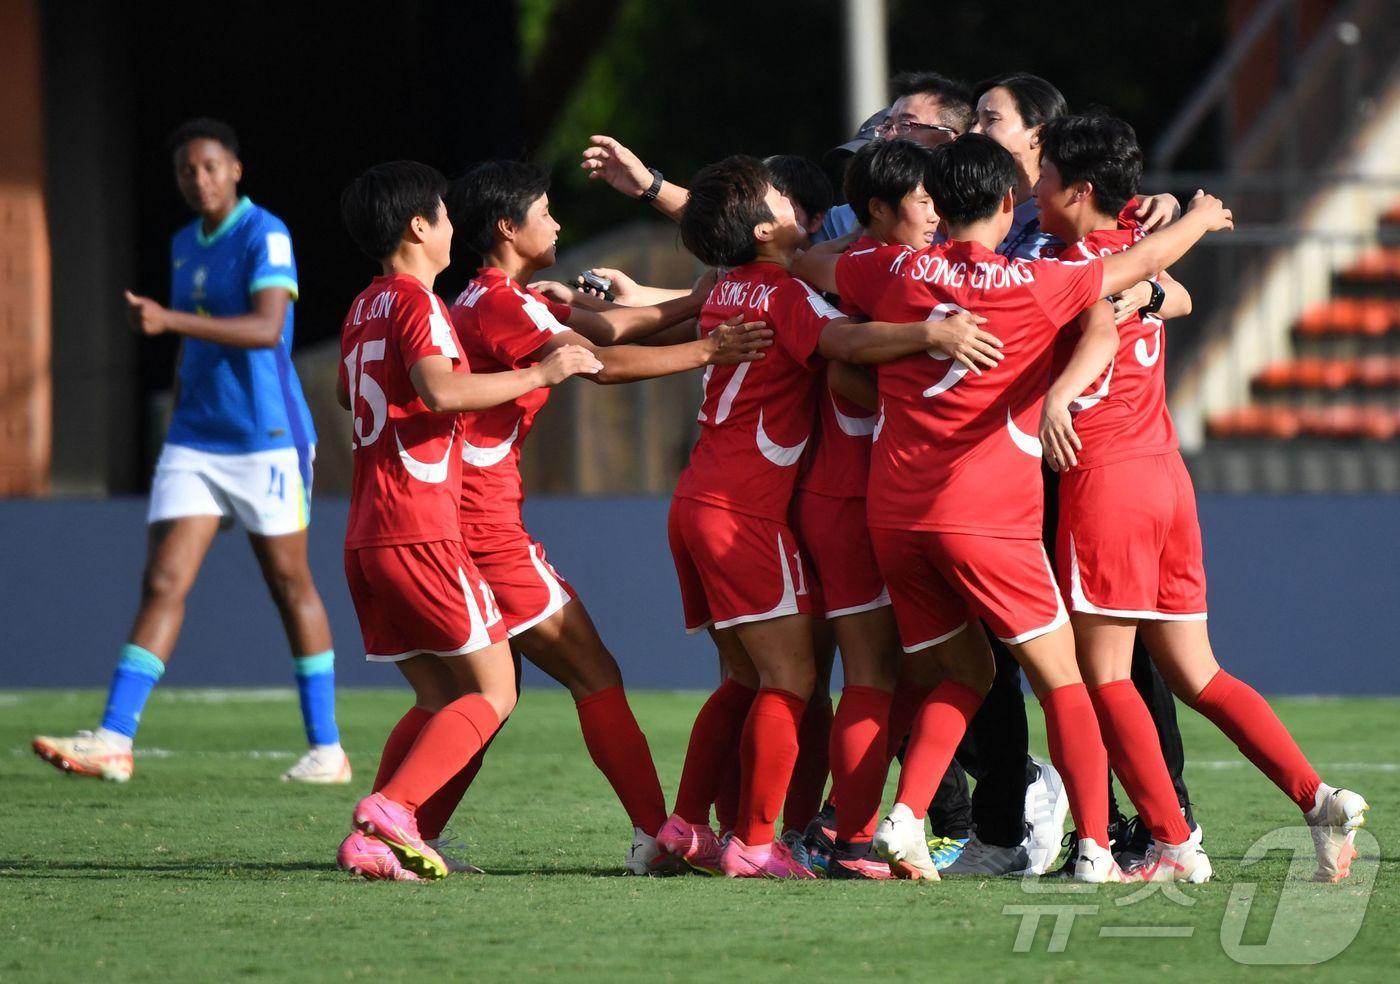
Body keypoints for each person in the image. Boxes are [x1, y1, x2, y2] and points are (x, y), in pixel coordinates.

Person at [857, 134, 1234, 882]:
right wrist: (1197, 219)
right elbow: (1123, 275)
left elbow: (813, 278)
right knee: (1070, 680)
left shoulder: (891, 269)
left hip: (894, 517)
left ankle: (899, 821)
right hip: (984, 516)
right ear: (1006, 202)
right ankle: (1096, 845)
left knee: (962, 674)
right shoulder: (1026, 283)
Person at [1035, 115, 1369, 883]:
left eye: (1046, 176)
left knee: (1104, 676)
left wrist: (1057, 397)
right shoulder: (1127, 255)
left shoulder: (1076, 266)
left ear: (1079, 191)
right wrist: (1171, 246)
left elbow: (1100, 329)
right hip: (1165, 478)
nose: (1035, 188)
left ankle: (1175, 843)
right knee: (1197, 673)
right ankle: (1319, 799)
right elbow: (1170, 293)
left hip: (1105, 480)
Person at [654, 155, 999, 879]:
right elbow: (842, 352)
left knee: (759, 680)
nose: (934, 209)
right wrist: (930, 336)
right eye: (776, 198)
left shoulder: (733, 285)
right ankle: (782, 840)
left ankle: (694, 827)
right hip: (779, 508)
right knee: (807, 681)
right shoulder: (797, 291)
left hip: (711, 498)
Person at [428, 160, 771, 875]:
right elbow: (595, 361)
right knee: (593, 672)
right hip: (485, 525)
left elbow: (611, 326)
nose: (557, 223)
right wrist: (709, 347)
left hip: (461, 515)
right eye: (546, 211)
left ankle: (410, 823)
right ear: (506, 228)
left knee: (486, 692)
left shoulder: (485, 298)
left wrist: (695, 302)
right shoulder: (500, 302)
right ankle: (658, 833)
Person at [33, 118, 348, 785]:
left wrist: (167, 320)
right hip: (196, 439)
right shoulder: (184, 243)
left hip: (265, 439)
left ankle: (327, 749)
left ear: (236, 169)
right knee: (163, 582)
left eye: (210, 166)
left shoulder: (266, 233)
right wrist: (177, 405)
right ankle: (115, 739)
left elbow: (267, 330)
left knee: (290, 585)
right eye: (186, 170)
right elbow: (194, 345)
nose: (198, 179)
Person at [332, 160, 603, 881]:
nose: (455, 226)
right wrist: (543, 374)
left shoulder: (363, 305)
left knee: (437, 695)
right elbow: (440, 389)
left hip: (366, 531)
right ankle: (390, 811)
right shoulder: (417, 302)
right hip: (419, 526)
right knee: (493, 691)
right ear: (419, 226)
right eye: (445, 215)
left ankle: (389, 832)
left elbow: (346, 394)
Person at [814, 71, 974, 243]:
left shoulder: (980, 215)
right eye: (888, 125)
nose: (888, 137)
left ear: (951, 139)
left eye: (906, 125)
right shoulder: (844, 221)